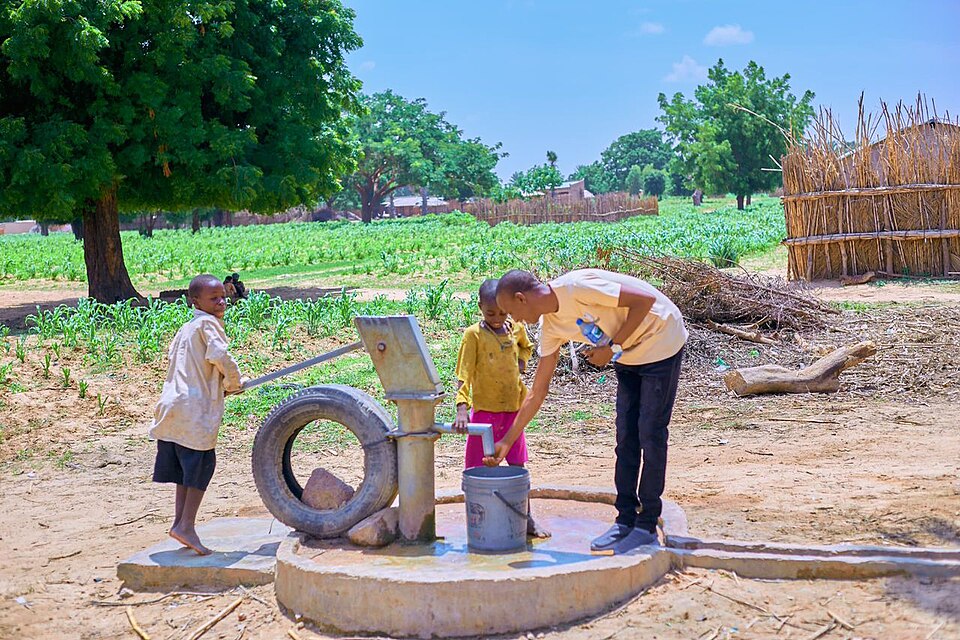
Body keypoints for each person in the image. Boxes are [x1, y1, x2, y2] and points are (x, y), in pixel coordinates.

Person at [490, 269, 687, 554]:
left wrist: (612, 346)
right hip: (628, 354)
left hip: (660, 338)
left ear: (521, 298)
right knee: (626, 437)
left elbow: (644, 301)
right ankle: (625, 520)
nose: (515, 320)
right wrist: (507, 440)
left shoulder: (577, 288)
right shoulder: (551, 327)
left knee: (651, 433)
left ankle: (646, 526)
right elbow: (538, 391)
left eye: (512, 312)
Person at [149, 274, 245, 555]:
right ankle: (187, 525)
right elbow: (221, 357)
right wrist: (234, 383)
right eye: (213, 299)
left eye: (223, 297)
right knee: (202, 466)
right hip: (194, 408)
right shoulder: (208, 324)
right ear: (196, 302)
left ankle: (180, 523)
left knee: (185, 470)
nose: (221, 303)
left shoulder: (186, 328)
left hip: (172, 406)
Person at [453, 279, 548, 538]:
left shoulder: (516, 328)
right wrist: (462, 407)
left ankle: (526, 520)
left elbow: (527, 347)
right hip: (484, 414)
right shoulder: (473, 335)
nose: (497, 319)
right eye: (490, 313)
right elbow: (464, 373)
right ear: (480, 308)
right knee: (476, 469)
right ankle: (478, 523)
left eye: (502, 313)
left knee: (518, 467)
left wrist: (521, 362)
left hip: (514, 412)